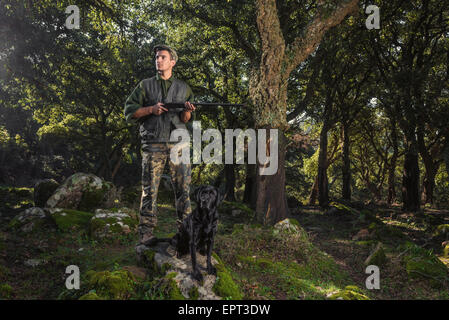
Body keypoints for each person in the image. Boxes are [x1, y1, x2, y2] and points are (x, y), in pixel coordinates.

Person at [124, 44, 196, 252]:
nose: (158, 60)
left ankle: (186, 233)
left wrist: (188, 111)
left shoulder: (184, 89)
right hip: (153, 142)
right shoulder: (145, 86)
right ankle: (146, 232)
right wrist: (150, 109)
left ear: (172, 62)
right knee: (150, 190)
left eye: (163, 57)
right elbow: (129, 112)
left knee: (184, 190)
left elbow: (186, 120)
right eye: (157, 57)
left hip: (178, 144)